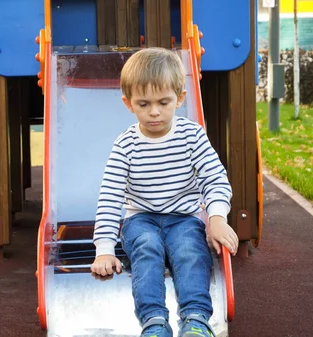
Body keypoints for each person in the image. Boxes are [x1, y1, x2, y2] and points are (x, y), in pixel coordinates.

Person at [90, 48, 239, 337]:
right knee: (146, 247)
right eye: (143, 104)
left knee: (189, 250)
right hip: (141, 219)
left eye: (163, 102)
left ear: (180, 99)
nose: (154, 111)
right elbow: (109, 197)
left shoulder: (191, 136)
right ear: (128, 103)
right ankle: (154, 321)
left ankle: (196, 319)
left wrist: (217, 217)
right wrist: (104, 250)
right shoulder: (125, 145)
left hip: (184, 218)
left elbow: (214, 177)